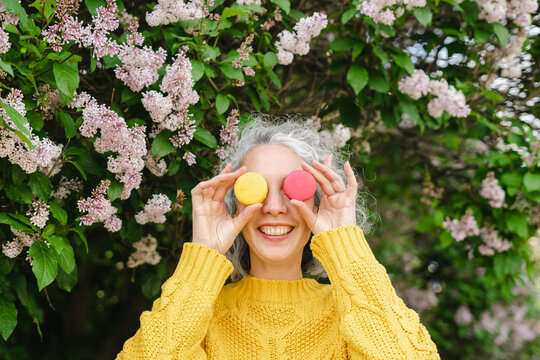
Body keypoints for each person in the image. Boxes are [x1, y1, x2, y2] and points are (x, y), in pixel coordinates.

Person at [116, 115, 440, 359]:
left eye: (291, 188)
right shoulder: (199, 316)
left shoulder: (350, 316)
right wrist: (203, 254)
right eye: (256, 188)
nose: (273, 207)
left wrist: (344, 241)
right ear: (233, 205)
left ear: (317, 201)